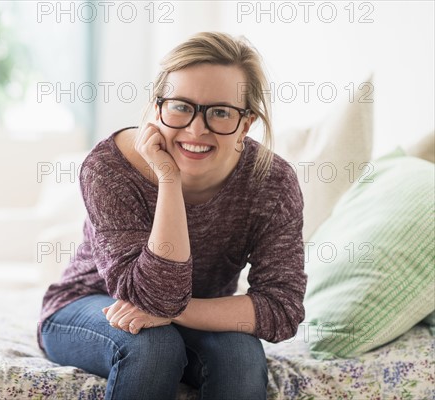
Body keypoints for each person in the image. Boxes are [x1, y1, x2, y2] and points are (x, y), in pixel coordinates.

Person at [38, 31, 306, 400]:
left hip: (192, 314)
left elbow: (282, 309)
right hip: (84, 304)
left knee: (241, 355)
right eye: (181, 106)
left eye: (220, 112)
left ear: (245, 124)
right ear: (158, 107)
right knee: (154, 347)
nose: (197, 129)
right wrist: (168, 178)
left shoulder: (271, 183)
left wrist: (177, 312)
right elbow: (151, 298)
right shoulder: (109, 168)